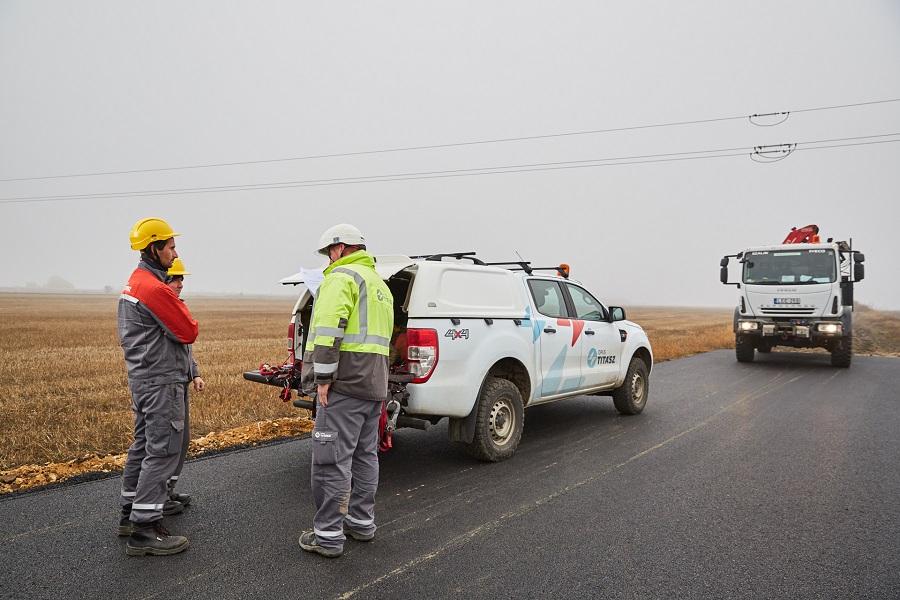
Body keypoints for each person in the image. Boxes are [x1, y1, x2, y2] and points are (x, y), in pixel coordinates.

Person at [298, 223, 394, 558]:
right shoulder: (379, 284)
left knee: (330, 460)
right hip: (374, 386)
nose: (327, 259)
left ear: (340, 248)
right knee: (365, 457)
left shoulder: (341, 278)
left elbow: (327, 330)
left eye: (328, 253)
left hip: (344, 385)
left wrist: (322, 377)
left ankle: (327, 536)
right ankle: (361, 523)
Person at [117, 218, 199, 557]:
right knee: (162, 450)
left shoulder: (135, 283)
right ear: (154, 248)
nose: (174, 252)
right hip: (160, 380)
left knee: (144, 445)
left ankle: (129, 512)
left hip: (144, 379)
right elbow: (189, 330)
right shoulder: (154, 288)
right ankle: (145, 530)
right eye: (170, 246)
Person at [165, 258, 206, 508]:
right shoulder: (163, 310)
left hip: (182, 382)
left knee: (182, 440)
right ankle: (158, 497)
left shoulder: (177, 307)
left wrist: (196, 373)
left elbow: (185, 350)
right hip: (168, 385)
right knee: (170, 441)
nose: (181, 284)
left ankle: (168, 490)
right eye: (175, 279)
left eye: (182, 279)